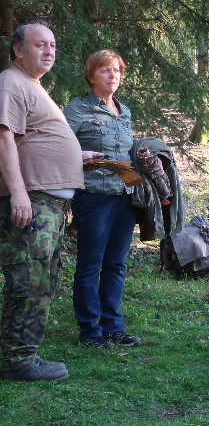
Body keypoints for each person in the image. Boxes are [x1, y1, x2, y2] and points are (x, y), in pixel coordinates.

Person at [0, 22, 84, 381]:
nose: (49, 51)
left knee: (44, 277)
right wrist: (18, 192)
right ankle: (17, 360)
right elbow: (4, 140)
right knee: (28, 279)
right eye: (40, 45)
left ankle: (24, 353)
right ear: (19, 50)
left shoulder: (32, 85)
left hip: (48, 203)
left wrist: (79, 155)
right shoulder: (10, 82)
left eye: (53, 45)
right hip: (31, 201)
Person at [63, 50, 141, 350]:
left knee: (116, 264)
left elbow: (126, 153)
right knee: (90, 264)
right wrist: (80, 155)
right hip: (93, 197)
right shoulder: (77, 109)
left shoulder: (124, 111)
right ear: (91, 76)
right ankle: (89, 330)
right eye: (105, 70)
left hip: (124, 196)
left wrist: (144, 158)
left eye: (117, 70)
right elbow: (58, 146)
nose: (113, 75)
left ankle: (112, 327)